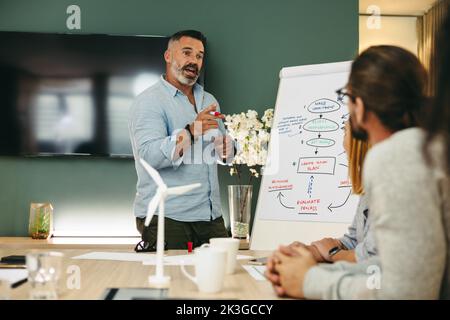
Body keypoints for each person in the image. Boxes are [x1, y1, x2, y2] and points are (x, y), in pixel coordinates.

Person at [267, 44, 450, 299]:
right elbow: (392, 269)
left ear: (360, 106)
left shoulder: (398, 157)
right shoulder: (426, 149)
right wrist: (307, 270)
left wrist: (311, 280)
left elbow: (408, 292)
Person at [129, 30, 234, 251]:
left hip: (211, 217)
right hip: (168, 218)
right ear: (168, 56)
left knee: (224, 277)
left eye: (199, 56)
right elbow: (149, 156)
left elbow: (223, 154)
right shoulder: (149, 101)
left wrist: (226, 149)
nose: (194, 61)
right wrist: (191, 131)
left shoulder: (209, 100)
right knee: (175, 282)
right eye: (187, 53)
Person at [286, 121, 375, 263]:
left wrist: (333, 252)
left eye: (345, 131)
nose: (343, 144)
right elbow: (354, 241)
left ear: (359, 141)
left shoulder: (390, 188)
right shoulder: (369, 188)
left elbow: (372, 257)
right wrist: (311, 251)